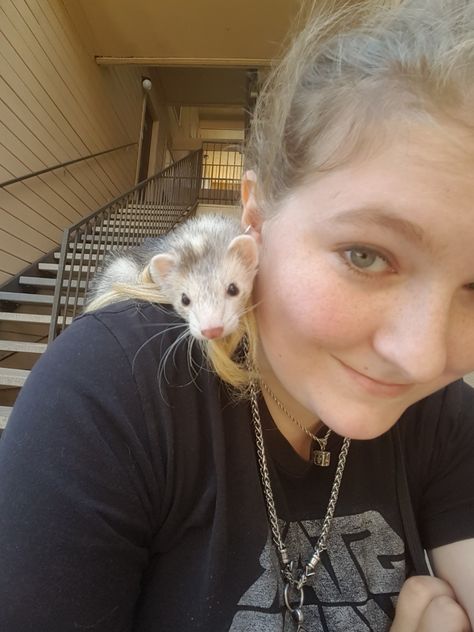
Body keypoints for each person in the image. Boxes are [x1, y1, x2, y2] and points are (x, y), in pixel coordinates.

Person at [1, 0, 473, 630]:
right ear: (254, 220)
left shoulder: (444, 421)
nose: (421, 357)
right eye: (364, 254)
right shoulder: (116, 390)